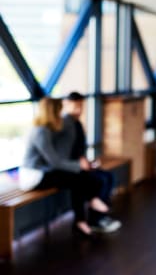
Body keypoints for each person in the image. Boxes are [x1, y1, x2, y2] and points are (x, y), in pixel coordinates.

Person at [20, 97, 113, 237]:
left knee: (78, 179)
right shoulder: (41, 132)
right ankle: (90, 205)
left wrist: (79, 165)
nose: (60, 115)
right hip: (33, 177)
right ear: (52, 112)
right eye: (58, 111)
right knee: (77, 178)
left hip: (43, 173)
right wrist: (78, 165)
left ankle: (81, 219)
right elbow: (55, 162)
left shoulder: (46, 129)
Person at [61, 91, 121, 233]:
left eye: (81, 106)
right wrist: (81, 163)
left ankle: (98, 217)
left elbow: (78, 150)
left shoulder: (77, 124)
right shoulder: (66, 124)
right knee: (99, 180)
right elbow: (63, 153)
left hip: (79, 165)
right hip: (70, 168)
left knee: (108, 176)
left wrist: (88, 162)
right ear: (67, 104)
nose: (79, 110)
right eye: (76, 106)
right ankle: (95, 219)